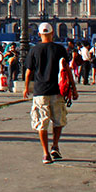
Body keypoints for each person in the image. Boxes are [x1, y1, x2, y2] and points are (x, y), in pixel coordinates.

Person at [24, 22, 70, 165]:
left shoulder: (34, 50)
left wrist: (26, 88)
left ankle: (45, 154)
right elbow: (67, 70)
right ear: (52, 33)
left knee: (41, 123)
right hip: (57, 91)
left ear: (39, 34)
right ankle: (55, 146)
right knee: (58, 121)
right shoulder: (60, 49)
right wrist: (73, 89)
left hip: (40, 91)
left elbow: (29, 72)